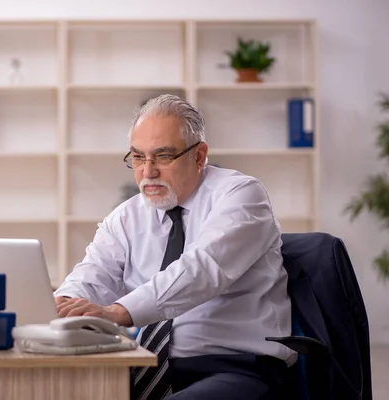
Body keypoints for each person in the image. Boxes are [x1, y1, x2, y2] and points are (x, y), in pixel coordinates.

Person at [53, 94, 296, 400]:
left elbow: (201, 270)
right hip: (142, 364)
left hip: (235, 367)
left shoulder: (241, 195)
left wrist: (118, 312)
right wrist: (62, 304)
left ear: (199, 156)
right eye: (138, 157)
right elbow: (94, 273)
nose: (148, 171)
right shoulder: (127, 215)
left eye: (163, 156)